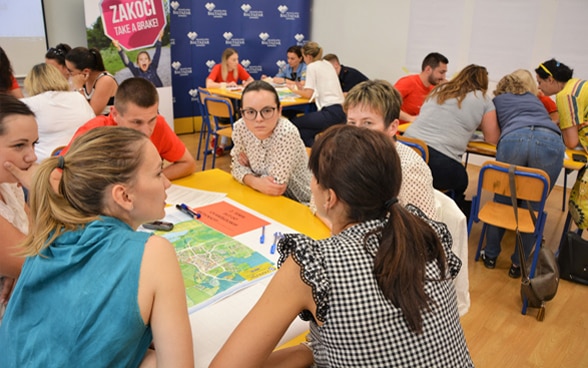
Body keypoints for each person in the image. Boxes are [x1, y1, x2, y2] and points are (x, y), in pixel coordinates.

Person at [210, 125, 472, 367]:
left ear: (329, 198)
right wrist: (313, 348)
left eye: (314, 178)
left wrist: (307, 349)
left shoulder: (316, 264)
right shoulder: (427, 235)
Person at [0, 126, 193, 367]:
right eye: (157, 173)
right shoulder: (154, 252)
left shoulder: (48, 235)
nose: (167, 183)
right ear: (123, 196)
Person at [481, 72, 564, 278]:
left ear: (500, 88)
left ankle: (490, 255)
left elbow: (492, 133)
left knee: (502, 199)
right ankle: (519, 265)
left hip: (514, 137)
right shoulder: (534, 99)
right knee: (533, 207)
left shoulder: (497, 101)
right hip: (550, 139)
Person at [404, 64, 500, 215]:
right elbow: (492, 138)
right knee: (462, 179)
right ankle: (445, 214)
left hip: (407, 149)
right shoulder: (483, 99)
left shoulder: (439, 90)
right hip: (439, 163)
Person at [60, 77, 196, 180]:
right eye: (136, 122)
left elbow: (187, 163)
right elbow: (58, 175)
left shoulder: (158, 123)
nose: (146, 131)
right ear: (115, 114)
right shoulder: (94, 131)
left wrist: (147, 182)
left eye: (151, 120)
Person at [344, 79, 436, 220]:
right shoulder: (347, 153)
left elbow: (424, 231)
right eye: (351, 123)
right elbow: (319, 202)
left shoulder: (409, 168)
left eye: (367, 123)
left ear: (393, 127)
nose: (356, 132)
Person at [231, 80, 311, 204]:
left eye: (267, 111)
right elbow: (235, 167)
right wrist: (256, 181)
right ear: (242, 112)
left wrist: (248, 174)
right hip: (263, 198)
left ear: (279, 110)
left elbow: (276, 187)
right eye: (250, 112)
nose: (258, 119)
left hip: (301, 202)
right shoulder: (240, 127)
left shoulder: (286, 132)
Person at [535, 59, 588, 229]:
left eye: (540, 82)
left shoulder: (564, 95)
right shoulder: (578, 84)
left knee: (581, 206)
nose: (539, 88)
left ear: (550, 79)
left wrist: (567, 131)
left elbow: (571, 142)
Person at [0, 95, 37, 314]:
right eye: (19, 145)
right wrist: (43, 190)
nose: (32, 156)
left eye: (34, 144)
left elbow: (42, 239)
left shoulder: (8, 185)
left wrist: (22, 272)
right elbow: (42, 266)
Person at [21, 63, 95, 162]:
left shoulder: (27, 104)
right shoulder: (78, 97)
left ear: (30, 83)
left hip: (44, 166)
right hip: (82, 160)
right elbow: (94, 125)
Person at [288, 41, 346, 147]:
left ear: (308, 56)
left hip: (330, 113)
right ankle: (316, 154)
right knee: (304, 133)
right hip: (342, 111)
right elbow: (321, 86)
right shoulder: (327, 64)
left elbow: (309, 94)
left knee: (292, 123)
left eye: (304, 57)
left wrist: (294, 90)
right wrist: (303, 88)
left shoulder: (312, 66)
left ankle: (316, 155)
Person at [394, 52, 448, 124]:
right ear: (428, 69)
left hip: (417, 130)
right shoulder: (407, 82)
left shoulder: (434, 87)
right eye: (441, 72)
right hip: (399, 131)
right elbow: (386, 106)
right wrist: (410, 118)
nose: (444, 77)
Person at [65, 46, 118, 115]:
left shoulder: (105, 80)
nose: (67, 72)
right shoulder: (82, 79)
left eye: (70, 70)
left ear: (85, 71)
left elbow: (91, 113)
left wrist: (79, 89)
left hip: (107, 124)